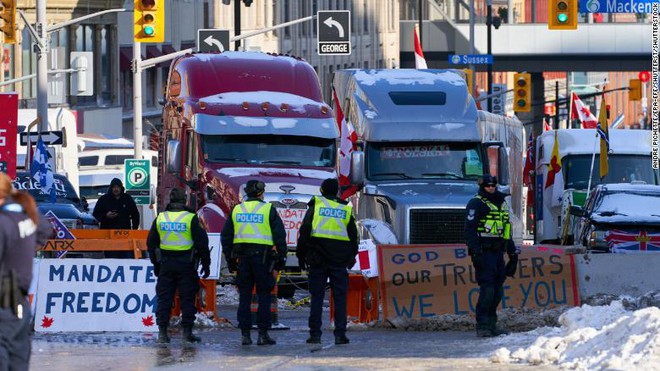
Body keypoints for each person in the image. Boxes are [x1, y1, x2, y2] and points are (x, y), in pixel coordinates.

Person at [221, 180, 287, 346]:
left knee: (244, 296)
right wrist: (281, 259)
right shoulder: (267, 209)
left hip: (243, 259)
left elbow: (226, 237)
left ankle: (245, 335)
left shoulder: (237, 209)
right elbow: (280, 236)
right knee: (264, 295)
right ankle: (262, 334)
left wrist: (230, 259)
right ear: (260, 193)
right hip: (263, 259)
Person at [0, 173, 54, 369]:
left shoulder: (4, 222)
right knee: (18, 358)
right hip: (17, 301)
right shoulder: (25, 216)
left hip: (4, 298)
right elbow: (46, 231)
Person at [296, 178, 359, 345]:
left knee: (316, 297)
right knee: (339, 297)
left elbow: (305, 232)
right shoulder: (345, 208)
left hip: (317, 259)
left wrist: (301, 256)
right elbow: (354, 236)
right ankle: (340, 334)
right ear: (337, 191)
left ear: (322, 191)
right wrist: (352, 256)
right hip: (339, 260)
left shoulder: (316, 205)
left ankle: (315, 334)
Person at [147, 188, 210, 344]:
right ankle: (187, 333)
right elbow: (202, 243)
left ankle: (162, 333)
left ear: (171, 200)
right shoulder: (190, 218)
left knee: (164, 299)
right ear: (185, 201)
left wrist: (156, 264)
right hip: (186, 266)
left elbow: (151, 244)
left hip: (166, 265)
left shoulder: (161, 218)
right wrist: (206, 264)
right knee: (187, 299)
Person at [464, 174, 519, 338]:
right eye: (487, 186)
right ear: (482, 187)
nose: (491, 189)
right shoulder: (476, 203)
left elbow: (506, 230)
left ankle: (492, 324)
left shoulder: (501, 203)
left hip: (498, 252)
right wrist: (475, 252)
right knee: (487, 290)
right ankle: (483, 325)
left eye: (493, 186)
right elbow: (470, 230)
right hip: (484, 252)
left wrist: (512, 252)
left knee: (498, 291)